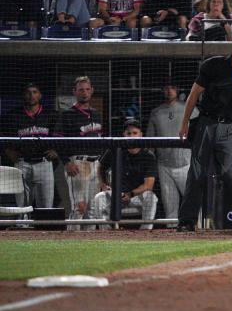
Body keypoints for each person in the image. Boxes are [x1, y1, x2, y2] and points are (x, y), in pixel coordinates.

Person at [176, 39, 232, 232]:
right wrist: (184, 123)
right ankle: (187, 221)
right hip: (206, 123)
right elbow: (194, 94)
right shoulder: (214, 65)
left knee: (229, 173)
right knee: (197, 173)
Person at [88, 119, 159, 230]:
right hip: (117, 196)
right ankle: (106, 232)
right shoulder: (116, 149)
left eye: (135, 133)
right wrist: (103, 184)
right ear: (124, 135)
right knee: (99, 198)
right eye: (128, 133)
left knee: (151, 197)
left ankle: (145, 232)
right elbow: (100, 166)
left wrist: (130, 194)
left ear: (141, 135)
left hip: (136, 197)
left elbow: (148, 185)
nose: (131, 136)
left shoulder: (148, 155)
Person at [55, 76, 103, 229]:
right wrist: (67, 162)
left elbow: (103, 142)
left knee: (92, 210)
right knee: (79, 207)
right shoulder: (67, 114)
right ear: (74, 92)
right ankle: (71, 240)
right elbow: (57, 141)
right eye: (81, 90)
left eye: (87, 89)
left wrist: (102, 166)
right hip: (78, 163)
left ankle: (88, 245)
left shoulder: (96, 114)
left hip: (96, 164)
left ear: (92, 91)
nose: (85, 93)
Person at [147, 80, 196, 226]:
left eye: (172, 87)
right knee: (170, 205)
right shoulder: (156, 112)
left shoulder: (190, 108)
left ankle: (197, 229)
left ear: (178, 89)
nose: (169, 91)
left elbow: (199, 132)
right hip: (164, 165)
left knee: (192, 200)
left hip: (185, 163)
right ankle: (171, 235)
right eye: (166, 88)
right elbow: (150, 141)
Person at [1, 83, 58, 209]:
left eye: (35, 92)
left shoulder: (51, 114)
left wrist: (56, 150)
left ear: (40, 95)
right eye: (28, 92)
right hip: (22, 163)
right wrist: (7, 150)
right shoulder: (13, 116)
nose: (31, 95)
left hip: (44, 163)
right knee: (22, 207)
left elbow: (61, 135)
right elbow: (2, 135)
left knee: (46, 206)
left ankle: (45, 229)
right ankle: (23, 227)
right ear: (23, 95)